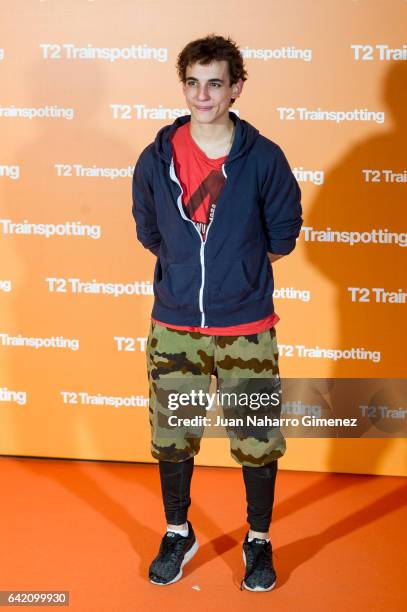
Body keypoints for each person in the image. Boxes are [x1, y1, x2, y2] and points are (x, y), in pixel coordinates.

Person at [132, 33, 302, 592]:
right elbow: (150, 231)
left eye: (215, 83)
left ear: (236, 89)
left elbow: (282, 235)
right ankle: (178, 532)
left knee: (256, 436)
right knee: (173, 434)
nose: (203, 95)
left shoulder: (264, 158)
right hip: (175, 324)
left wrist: (236, 272)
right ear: (183, 87)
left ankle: (258, 540)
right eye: (193, 83)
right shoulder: (156, 158)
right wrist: (190, 274)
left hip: (245, 326)